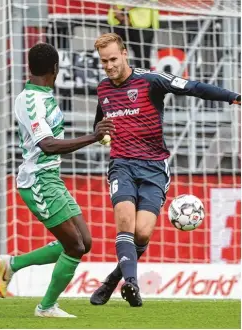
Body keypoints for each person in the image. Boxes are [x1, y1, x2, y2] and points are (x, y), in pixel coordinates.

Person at [90, 33, 240, 307]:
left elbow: (193, 87)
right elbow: (98, 124)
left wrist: (233, 97)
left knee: (142, 234)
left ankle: (112, 280)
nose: (109, 66)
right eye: (103, 61)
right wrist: (100, 134)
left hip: (154, 167)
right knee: (125, 223)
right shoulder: (103, 89)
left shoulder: (150, 81)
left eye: (113, 59)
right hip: (121, 164)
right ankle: (132, 285)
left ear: (125, 54)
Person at [0, 43, 115, 318]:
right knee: (74, 246)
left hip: (51, 178)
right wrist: (93, 137)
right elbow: (47, 145)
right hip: (38, 181)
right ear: (56, 69)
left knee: (84, 241)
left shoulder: (42, 94)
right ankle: (46, 307)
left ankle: (11, 264)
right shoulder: (31, 100)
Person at [108, 2, 159, 69]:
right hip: (118, 21)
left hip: (142, 22)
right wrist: (119, 14)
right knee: (117, 58)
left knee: (142, 61)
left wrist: (123, 11)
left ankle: (142, 79)